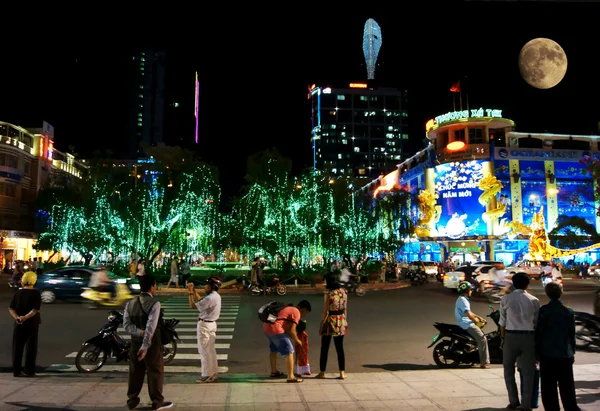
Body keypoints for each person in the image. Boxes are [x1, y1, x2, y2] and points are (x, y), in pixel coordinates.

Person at [123, 275, 173, 410]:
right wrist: (145, 346)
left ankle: (132, 400)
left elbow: (126, 325)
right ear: (152, 287)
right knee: (155, 371)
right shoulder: (154, 304)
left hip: (135, 343)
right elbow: (151, 327)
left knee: (135, 372)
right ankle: (157, 401)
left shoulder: (130, 303)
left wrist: (139, 333)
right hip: (151, 344)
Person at [536, 281, 581, 411]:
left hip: (547, 353)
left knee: (548, 385)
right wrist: (572, 351)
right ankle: (570, 407)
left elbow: (539, 332)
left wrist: (537, 351)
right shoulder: (568, 312)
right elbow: (571, 334)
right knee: (567, 384)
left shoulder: (543, 311)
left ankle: (552, 408)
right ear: (561, 293)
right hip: (564, 353)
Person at [499, 272, 540, 411]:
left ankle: (513, 401)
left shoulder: (506, 299)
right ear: (527, 284)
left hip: (511, 337)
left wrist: (503, 338)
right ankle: (526, 405)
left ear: (513, 284)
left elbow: (502, 322)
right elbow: (536, 322)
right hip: (529, 337)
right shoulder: (534, 300)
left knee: (508, 370)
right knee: (529, 373)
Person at [263, 299, 312, 383]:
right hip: (276, 329)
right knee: (289, 352)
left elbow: (287, 331)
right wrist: (298, 340)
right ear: (304, 309)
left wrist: (293, 337)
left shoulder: (287, 307)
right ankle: (291, 376)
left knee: (273, 350)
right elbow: (292, 331)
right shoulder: (296, 312)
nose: (305, 315)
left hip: (267, 327)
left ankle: (274, 372)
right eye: (306, 312)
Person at [188, 276, 222, 383]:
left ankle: (206, 374)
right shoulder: (215, 296)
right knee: (210, 350)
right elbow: (202, 301)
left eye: (206, 285)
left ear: (212, 287)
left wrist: (189, 293)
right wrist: (194, 292)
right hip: (211, 325)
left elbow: (193, 306)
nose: (204, 287)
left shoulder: (210, 298)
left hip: (204, 326)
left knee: (204, 351)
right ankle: (213, 373)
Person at [8, 271, 41, 377]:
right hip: (32, 323)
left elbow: (11, 308)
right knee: (31, 347)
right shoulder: (36, 293)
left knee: (17, 346)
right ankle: (29, 370)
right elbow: (35, 310)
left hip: (19, 323)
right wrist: (25, 317)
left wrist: (18, 317)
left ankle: (16, 370)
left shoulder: (18, 292)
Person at [317, 273, 349, 379]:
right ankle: (342, 372)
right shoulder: (344, 292)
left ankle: (322, 372)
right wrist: (344, 321)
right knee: (340, 348)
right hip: (341, 321)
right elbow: (345, 309)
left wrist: (322, 325)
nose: (324, 282)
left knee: (324, 347)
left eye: (325, 280)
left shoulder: (328, 294)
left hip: (330, 321)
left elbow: (326, 312)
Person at [455, 281, 490, 369]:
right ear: (466, 291)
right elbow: (469, 314)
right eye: (470, 290)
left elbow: (470, 312)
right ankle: (484, 363)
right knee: (482, 339)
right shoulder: (463, 300)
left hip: (466, 322)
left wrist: (479, 317)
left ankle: (474, 358)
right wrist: (476, 322)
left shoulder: (463, 299)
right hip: (466, 324)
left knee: (477, 340)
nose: (471, 291)